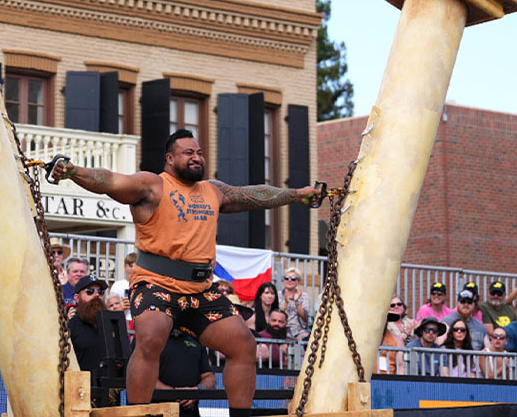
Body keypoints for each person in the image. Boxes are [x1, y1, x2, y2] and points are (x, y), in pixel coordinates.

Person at [50, 129, 321, 415]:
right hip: (156, 285)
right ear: (170, 158)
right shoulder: (152, 185)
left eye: (199, 152)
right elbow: (110, 181)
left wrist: (297, 195)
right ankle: (136, 413)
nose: (196, 157)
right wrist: (72, 171)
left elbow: (254, 195)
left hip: (201, 292)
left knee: (243, 345)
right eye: (188, 152)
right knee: (151, 338)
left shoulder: (213, 190)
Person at [156, 328, 217, 417]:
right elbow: (143, 379)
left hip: (190, 412)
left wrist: (197, 390)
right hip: (158, 411)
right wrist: (174, 394)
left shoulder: (196, 340)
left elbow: (210, 377)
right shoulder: (151, 338)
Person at [68, 274, 109, 382]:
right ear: (77, 298)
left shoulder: (109, 326)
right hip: (79, 389)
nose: (96, 295)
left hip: (108, 392)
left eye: (100, 292)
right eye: (90, 291)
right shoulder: (70, 327)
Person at [280, 268, 311, 341]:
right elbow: (276, 314)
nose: (289, 280)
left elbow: (305, 318)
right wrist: (285, 303)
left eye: (293, 279)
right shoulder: (277, 294)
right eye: (286, 278)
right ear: (283, 280)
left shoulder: (304, 296)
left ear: (299, 282)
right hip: (282, 330)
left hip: (300, 331)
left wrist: (296, 302)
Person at [378, 303, 407, 375]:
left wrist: (399, 382)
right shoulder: (365, 339)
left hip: (389, 381)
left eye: (384, 317)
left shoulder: (397, 340)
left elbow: (401, 365)